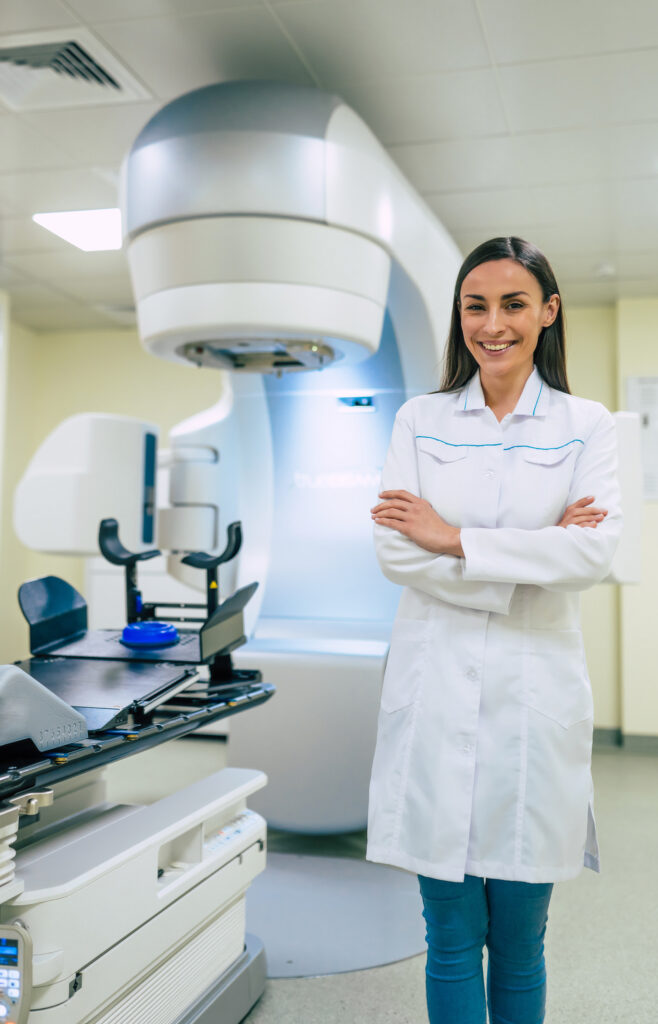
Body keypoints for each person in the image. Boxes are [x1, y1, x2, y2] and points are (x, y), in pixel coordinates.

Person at [367, 236, 622, 1024]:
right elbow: (391, 551)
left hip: (532, 707)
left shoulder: (589, 424)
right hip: (435, 699)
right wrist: (535, 556)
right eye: (476, 305)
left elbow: (596, 552)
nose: (493, 324)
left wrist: (453, 538)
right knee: (448, 936)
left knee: (520, 941)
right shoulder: (421, 417)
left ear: (547, 312)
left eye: (514, 303)